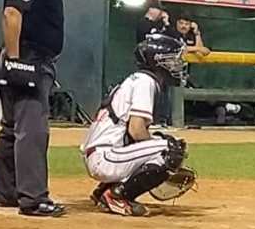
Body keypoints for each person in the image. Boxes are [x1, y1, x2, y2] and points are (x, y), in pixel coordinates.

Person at [0, 0, 72, 216]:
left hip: (22, 54)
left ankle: (6, 193)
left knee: (12, 128)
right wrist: (15, 59)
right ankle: (33, 197)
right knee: (32, 129)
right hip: (29, 58)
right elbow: (12, 12)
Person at [82, 32, 193, 216]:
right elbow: (136, 129)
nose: (176, 64)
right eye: (171, 59)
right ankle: (118, 196)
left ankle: (104, 191)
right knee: (171, 149)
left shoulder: (137, 79)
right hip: (106, 157)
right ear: (157, 61)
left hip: (101, 154)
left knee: (158, 142)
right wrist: (162, 165)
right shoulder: (145, 81)